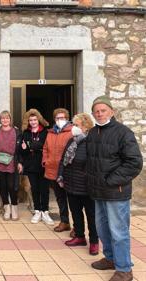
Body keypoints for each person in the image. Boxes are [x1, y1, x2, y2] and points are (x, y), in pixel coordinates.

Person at [87, 96, 142, 281]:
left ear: (111, 111)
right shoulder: (93, 133)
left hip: (116, 191)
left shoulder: (123, 132)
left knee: (119, 232)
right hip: (98, 191)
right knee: (102, 229)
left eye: (103, 110)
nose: (100, 114)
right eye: (96, 111)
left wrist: (111, 180)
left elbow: (134, 162)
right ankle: (111, 258)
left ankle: (125, 269)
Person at [57, 113, 99, 255]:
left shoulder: (91, 142)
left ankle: (94, 241)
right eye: (73, 124)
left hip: (86, 186)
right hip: (71, 183)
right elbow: (63, 159)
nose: (73, 128)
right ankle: (80, 236)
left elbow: (94, 165)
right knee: (75, 212)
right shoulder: (72, 141)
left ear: (86, 127)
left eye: (77, 125)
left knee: (91, 215)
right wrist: (60, 175)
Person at [42, 108, 73, 232]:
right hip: (53, 170)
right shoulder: (50, 133)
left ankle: (77, 226)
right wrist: (45, 161)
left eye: (62, 118)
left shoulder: (72, 132)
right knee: (60, 198)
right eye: (57, 118)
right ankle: (64, 221)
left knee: (73, 200)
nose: (60, 120)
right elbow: (45, 148)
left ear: (67, 118)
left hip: (67, 171)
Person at [20, 109, 52, 225]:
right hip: (31, 165)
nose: (33, 122)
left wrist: (31, 146)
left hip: (44, 164)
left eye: (35, 119)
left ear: (39, 120)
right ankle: (37, 211)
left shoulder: (46, 132)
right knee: (35, 189)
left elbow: (46, 146)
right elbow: (22, 150)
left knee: (44, 189)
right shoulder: (26, 133)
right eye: (30, 120)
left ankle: (45, 211)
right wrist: (28, 148)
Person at [0, 111, 22, 221]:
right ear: (0, 120)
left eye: (7, 118)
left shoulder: (17, 132)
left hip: (12, 162)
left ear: (10, 119)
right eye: (3, 118)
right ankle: (7, 209)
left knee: (12, 186)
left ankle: (14, 208)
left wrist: (20, 162)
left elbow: (19, 150)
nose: (5, 120)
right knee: (3, 186)